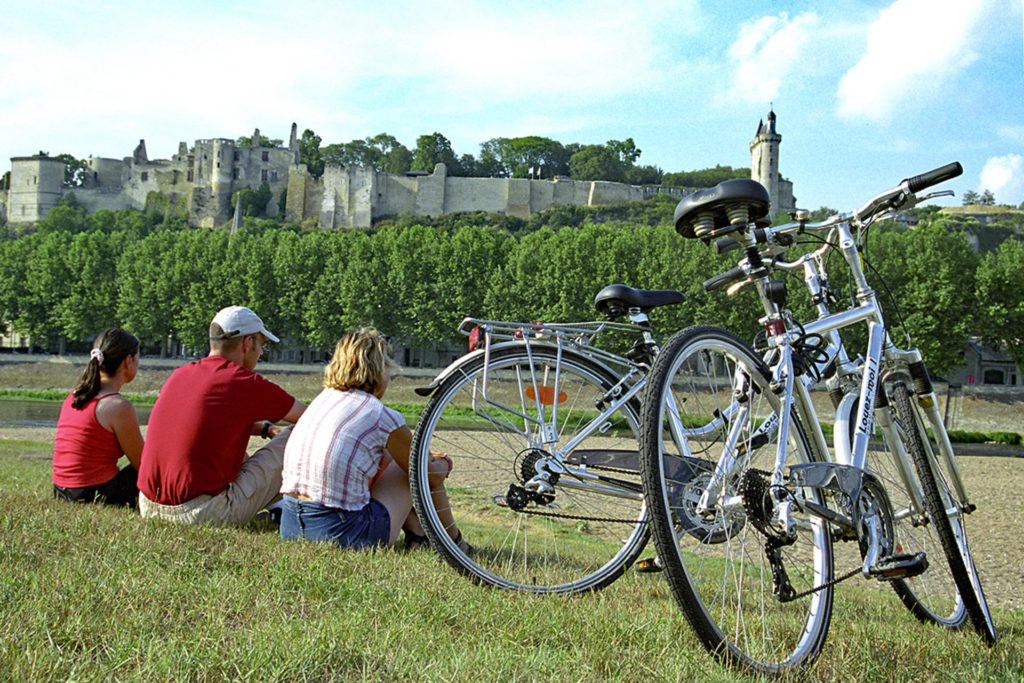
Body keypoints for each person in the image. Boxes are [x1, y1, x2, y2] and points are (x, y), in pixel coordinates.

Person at [279, 327, 469, 551]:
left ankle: (418, 535)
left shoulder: (322, 401)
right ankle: (456, 544)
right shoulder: (380, 415)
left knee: (396, 459)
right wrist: (444, 463)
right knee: (414, 470)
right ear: (380, 370)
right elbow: (429, 478)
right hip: (340, 533)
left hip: (291, 524)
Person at [137, 305, 305, 526]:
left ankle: (277, 507)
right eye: (261, 345)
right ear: (248, 343)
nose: (261, 353)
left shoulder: (179, 375)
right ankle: (297, 507)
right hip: (201, 514)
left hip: (148, 506)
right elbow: (315, 417)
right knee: (299, 433)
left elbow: (209, 420)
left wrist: (265, 429)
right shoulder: (243, 382)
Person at [52, 328, 144, 507]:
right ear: (128, 361)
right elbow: (142, 464)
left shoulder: (74, 395)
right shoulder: (117, 406)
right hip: (91, 494)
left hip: (60, 491)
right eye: (137, 358)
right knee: (156, 465)